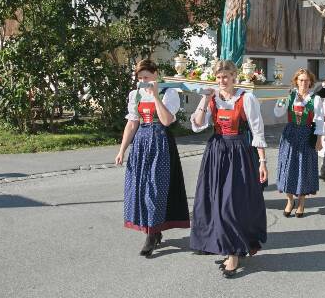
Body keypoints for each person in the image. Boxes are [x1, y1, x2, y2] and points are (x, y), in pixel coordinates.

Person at [189, 60, 268, 278]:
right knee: (214, 202)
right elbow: (197, 124)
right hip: (216, 153)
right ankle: (226, 246)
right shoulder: (212, 99)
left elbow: (257, 131)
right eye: (219, 77)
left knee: (230, 205)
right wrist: (204, 98)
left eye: (226, 76)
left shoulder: (246, 98)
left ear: (234, 76)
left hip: (239, 154)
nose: (222, 81)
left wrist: (262, 162)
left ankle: (233, 253)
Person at [115, 59, 190, 257]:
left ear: (156, 74)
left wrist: (155, 96)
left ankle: (152, 233)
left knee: (156, 189)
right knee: (140, 188)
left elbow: (166, 121)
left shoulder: (169, 93)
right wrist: (122, 150)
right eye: (140, 78)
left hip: (161, 144)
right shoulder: (135, 94)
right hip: (140, 145)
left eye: (146, 77)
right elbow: (132, 124)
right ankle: (151, 231)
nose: (143, 81)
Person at [274, 69, 325, 218]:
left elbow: (320, 121)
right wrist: (280, 100)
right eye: (301, 80)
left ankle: (301, 203)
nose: (303, 83)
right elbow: (278, 113)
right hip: (290, 135)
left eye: (306, 80)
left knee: (303, 169)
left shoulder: (315, 99)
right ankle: (290, 201)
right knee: (288, 168)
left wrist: (319, 139)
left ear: (310, 82)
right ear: (296, 81)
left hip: (306, 135)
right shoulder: (290, 96)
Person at [220, 0, 251, 67]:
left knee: (238, 42)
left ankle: (234, 65)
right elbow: (227, 8)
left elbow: (247, 8)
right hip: (230, 23)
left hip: (237, 23)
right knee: (229, 42)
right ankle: (228, 63)